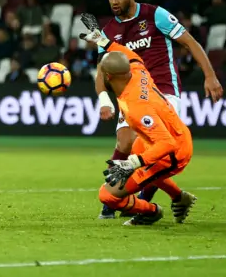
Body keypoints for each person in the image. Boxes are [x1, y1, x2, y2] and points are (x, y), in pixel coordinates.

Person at [95, 0, 222, 219]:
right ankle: (165, 198)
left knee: (155, 150)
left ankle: (143, 207)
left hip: (163, 90)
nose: (114, 1)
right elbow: (102, 68)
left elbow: (190, 42)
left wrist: (210, 75)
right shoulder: (108, 30)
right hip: (132, 92)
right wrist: (103, 98)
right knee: (124, 143)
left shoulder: (155, 15)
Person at [80, 13, 197, 226]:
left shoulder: (135, 107)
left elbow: (166, 144)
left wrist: (131, 164)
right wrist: (100, 39)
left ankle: (151, 211)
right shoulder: (136, 65)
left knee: (108, 195)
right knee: (134, 148)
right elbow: (119, 50)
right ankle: (179, 197)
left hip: (174, 152)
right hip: (167, 133)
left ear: (108, 77)